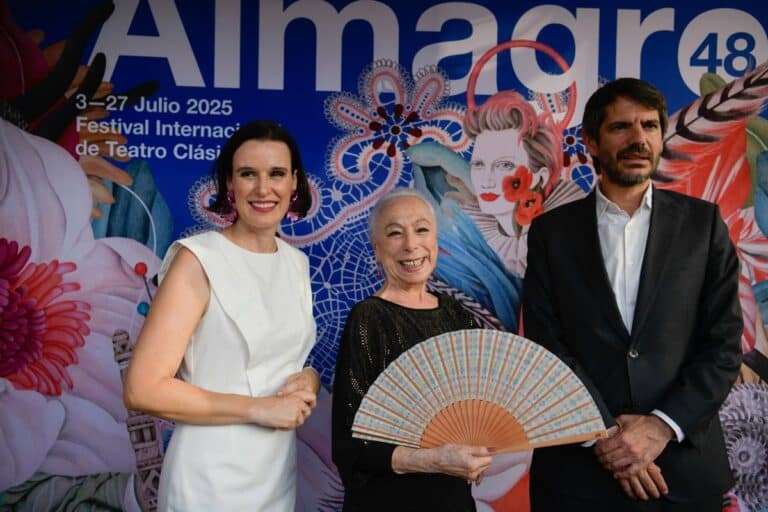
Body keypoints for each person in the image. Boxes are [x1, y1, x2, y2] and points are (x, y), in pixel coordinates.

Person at [522, 78, 743, 511]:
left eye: (649, 126)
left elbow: (723, 343)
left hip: (683, 472)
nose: (638, 139)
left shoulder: (703, 225)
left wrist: (659, 428)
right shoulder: (552, 233)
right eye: (621, 127)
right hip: (578, 471)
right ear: (591, 141)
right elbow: (547, 345)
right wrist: (609, 439)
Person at [123, 120, 319, 511]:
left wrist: (308, 379)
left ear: (294, 182)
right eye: (248, 174)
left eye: (276, 173)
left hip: (275, 475)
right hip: (207, 479)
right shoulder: (198, 259)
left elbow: (281, 358)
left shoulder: (296, 263)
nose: (263, 189)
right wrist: (258, 408)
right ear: (230, 183)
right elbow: (142, 389)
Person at [332, 189, 493, 511]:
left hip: (453, 499)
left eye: (421, 230)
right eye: (395, 233)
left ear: (435, 240)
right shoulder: (368, 319)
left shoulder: (457, 315)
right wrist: (434, 459)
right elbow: (350, 448)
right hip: (388, 501)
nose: (410, 244)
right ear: (377, 249)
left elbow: (477, 408)